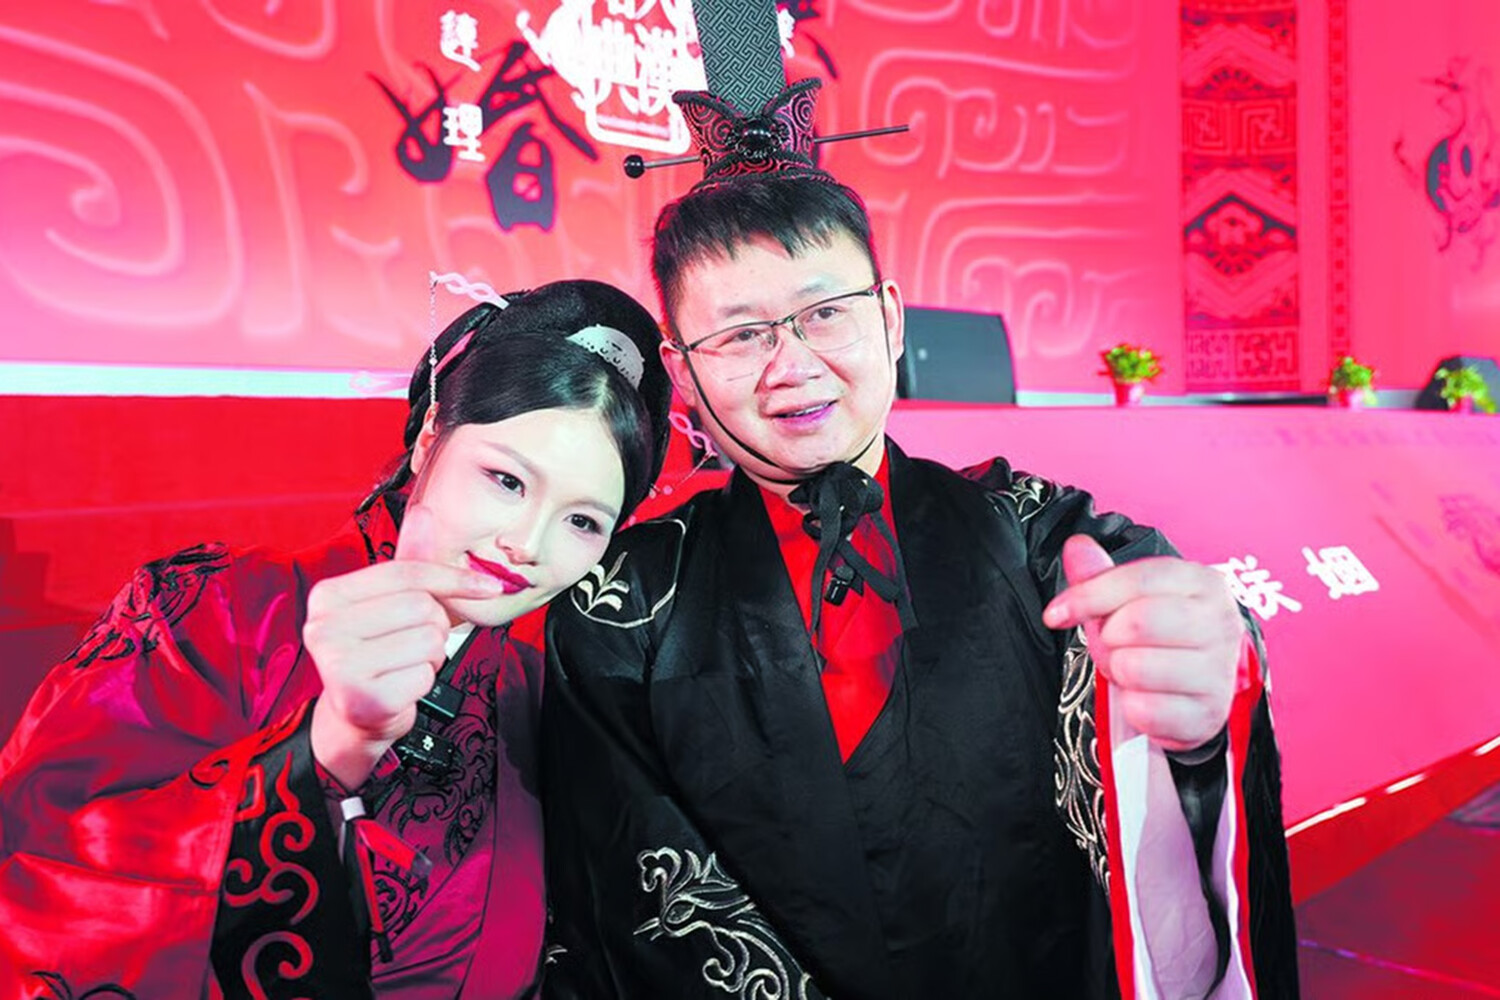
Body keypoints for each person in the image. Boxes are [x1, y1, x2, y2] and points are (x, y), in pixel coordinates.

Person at [539, 82, 1299, 998]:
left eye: (825, 313)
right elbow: (628, 901)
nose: (793, 365)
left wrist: (1205, 698)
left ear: (891, 319)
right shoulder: (623, 606)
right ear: (683, 375)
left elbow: (1175, 645)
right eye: (740, 336)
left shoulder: (1038, 533)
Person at [0, 279, 673, 999]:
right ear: (431, 436)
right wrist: (325, 749)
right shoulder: (211, 610)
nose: (527, 544)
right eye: (506, 480)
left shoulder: (542, 698)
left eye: (582, 522)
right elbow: (38, 871)